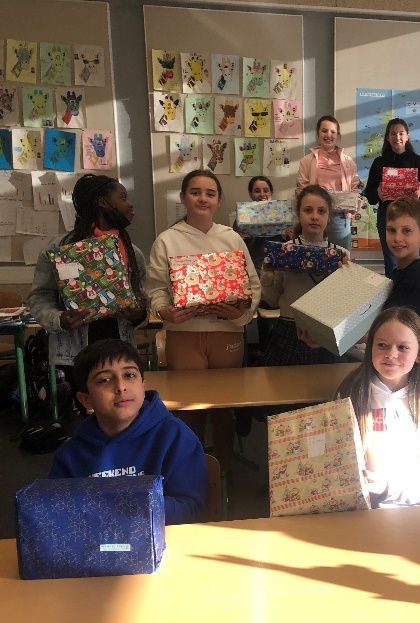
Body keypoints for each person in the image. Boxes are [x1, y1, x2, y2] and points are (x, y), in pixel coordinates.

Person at [145, 169, 261, 476]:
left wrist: (241, 315)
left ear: (219, 200)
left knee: (225, 409)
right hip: (183, 332)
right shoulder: (167, 240)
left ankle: (224, 472)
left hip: (226, 333)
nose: (203, 198)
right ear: (183, 198)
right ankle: (192, 474)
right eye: (195, 192)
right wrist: (164, 311)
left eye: (210, 193)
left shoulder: (231, 238)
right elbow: (155, 287)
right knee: (190, 410)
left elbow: (252, 285)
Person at [49, 339, 208, 525]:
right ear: (85, 399)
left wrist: (121, 508)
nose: (120, 386)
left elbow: (191, 508)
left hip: (164, 539)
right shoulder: (70, 455)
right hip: (97, 542)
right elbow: (58, 515)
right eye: (105, 380)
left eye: (130, 375)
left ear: (143, 386)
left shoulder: (176, 437)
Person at [27, 174, 147, 394]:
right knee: (84, 407)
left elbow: (142, 299)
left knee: (120, 408)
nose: (130, 204)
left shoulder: (133, 252)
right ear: (102, 202)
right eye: (123, 197)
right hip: (74, 352)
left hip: (120, 350)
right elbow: (39, 296)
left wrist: (138, 314)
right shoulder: (60, 248)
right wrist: (59, 319)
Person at [335, 307, 420, 507]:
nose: (391, 354)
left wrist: (389, 489)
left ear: (419, 354)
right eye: (382, 345)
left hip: (413, 510)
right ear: (370, 348)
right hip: (359, 509)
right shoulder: (350, 393)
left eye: (403, 347)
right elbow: (334, 459)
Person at [260, 184, 348, 366]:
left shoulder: (341, 255)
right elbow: (272, 301)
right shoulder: (283, 252)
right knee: (287, 382)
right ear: (298, 214)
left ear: (329, 216)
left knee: (326, 382)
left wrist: (349, 278)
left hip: (326, 332)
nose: (315, 216)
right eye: (308, 210)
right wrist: (267, 273)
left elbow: (345, 306)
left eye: (321, 211)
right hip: (289, 329)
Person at [382, 196, 420, 390]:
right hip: (404, 363)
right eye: (391, 230)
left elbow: (396, 331)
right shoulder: (401, 272)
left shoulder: (418, 276)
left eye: (406, 231)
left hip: (419, 371)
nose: (397, 238)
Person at [364, 117, 420, 277]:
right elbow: (370, 195)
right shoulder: (379, 162)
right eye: (393, 134)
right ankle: (394, 291)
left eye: (401, 133)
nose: (397, 137)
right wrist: (378, 192)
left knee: (413, 259)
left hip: (412, 217)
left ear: (407, 136)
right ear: (387, 137)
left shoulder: (418, 161)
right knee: (391, 261)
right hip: (387, 216)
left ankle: (414, 288)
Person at [297, 115, 361, 251]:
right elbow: (301, 190)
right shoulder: (306, 161)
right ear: (318, 133)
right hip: (314, 216)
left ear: (338, 135)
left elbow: (355, 188)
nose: (328, 135)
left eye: (333, 132)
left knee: (340, 258)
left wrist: (354, 203)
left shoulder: (348, 162)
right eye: (324, 131)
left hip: (339, 218)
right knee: (312, 257)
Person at [234, 175, 279, 276]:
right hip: (253, 268)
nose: (262, 194)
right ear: (251, 194)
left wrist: (291, 236)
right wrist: (238, 239)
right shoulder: (242, 216)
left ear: (271, 192)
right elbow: (235, 248)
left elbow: (286, 244)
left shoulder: (281, 215)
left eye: (266, 190)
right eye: (257, 191)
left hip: (276, 266)